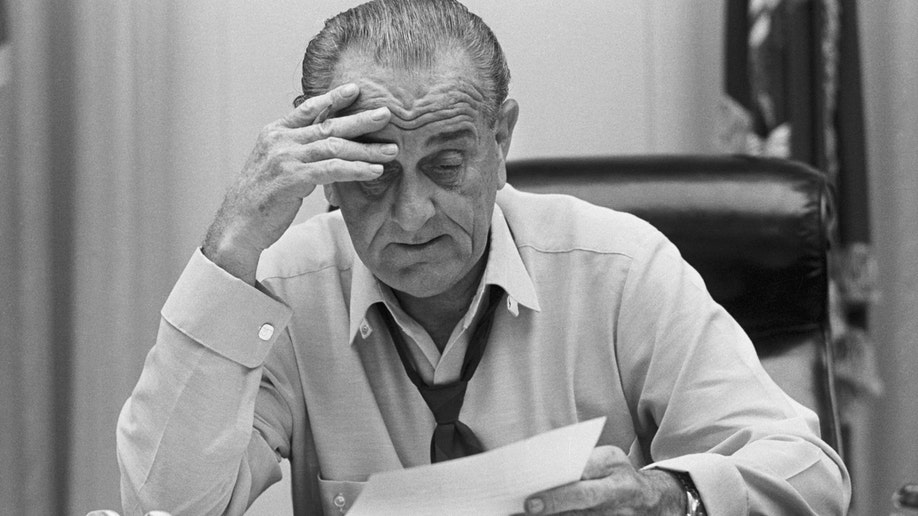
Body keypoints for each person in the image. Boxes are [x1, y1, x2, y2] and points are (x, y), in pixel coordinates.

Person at [116, 0, 851, 514]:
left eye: (445, 166)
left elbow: (810, 473)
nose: (411, 217)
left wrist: (675, 497)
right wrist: (233, 245)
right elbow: (168, 507)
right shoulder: (285, 291)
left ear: (501, 143)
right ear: (324, 167)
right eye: (372, 173)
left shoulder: (619, 268)